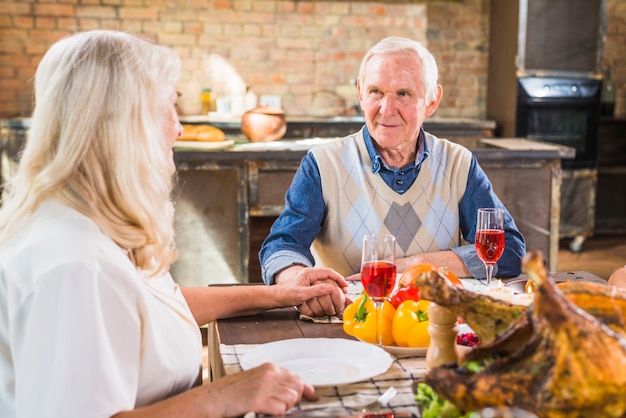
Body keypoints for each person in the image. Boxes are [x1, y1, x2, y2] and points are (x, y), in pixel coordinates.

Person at [0, 30, 349, 418]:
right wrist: (222, 394)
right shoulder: (76, 267)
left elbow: (157, 308)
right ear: (125, 122)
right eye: (171, 106)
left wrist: (276, 295)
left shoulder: (81, 220)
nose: (179, 128)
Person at [260, 36, 526, 317]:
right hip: (347, 323)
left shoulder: (458, 163)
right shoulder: (323, 164)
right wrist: (293, 281)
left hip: (432, 325)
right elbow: (282, 245)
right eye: (376, 91)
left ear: (432, 100)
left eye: (403, 94)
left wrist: (414, 265)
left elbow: (509, 251)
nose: (387, 109)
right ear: (361, 93)